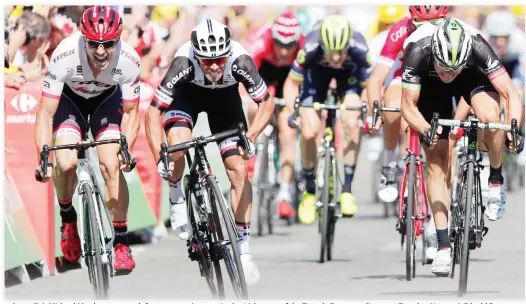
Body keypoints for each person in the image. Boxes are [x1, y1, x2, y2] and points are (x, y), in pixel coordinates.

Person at [145, 18, 274, 285]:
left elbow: (266, 103)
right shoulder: (183, 63)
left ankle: (244, 250)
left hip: (225, 103)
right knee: (178, 145)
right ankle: (176, 195)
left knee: (238, 170)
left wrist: (250, 137)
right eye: (207, 61)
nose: (214, 66)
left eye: (220, 60)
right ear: (196, 55)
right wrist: (162, 154)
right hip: (186, 98)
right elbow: (153, 112)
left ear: (228, 53)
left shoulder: (240, 61)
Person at [401, 17, 523, 276]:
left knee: (491, 118)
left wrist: (514, 126)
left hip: (472, 78)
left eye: (454, 68)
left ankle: (496, 179)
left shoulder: (478, 46)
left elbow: (511, 92)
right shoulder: (417, 51)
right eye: (445, 67)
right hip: (430, 88)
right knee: (436, 161)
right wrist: (426, 130)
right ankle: (444, 247)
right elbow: (407, 107)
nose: (449, 74)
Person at [34, 6, 141, 274]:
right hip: (70, 103)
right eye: (94, 44)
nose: (102, 51)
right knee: (66, 163)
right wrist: (44, 158)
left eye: (109, 44)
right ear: (83, 39)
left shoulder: (129, 59)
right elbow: (45, 112)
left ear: (119, 39)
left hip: (107, 101)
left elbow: (131, 113)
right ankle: (68, 219)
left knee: (111, 164)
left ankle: (120, 243)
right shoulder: (65, 55)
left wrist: (125, 151)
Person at [285, 15, 370, 224]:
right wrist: (293, 111)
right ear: (322, 44)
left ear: (348, 45)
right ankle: (309, 191)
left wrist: (365, 112)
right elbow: (291, 84)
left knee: (351, 122)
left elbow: (370, 87)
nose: (336, 58)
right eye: (331, 52)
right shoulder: (310, 49)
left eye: (341, 52)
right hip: (317, 76)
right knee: (309, 131)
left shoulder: (360, 49)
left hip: (349, 77)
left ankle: (347, 190)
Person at [245, 11, 305, 219]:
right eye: (280, 44)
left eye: (290, 45)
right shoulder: (262, 40)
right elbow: (245, 74)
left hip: (291, 80)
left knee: (287, 132)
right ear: (274, 38)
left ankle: (285, 194)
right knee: (254, 107)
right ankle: (254, 148)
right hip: (265, 76)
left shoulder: (303, 47)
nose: (285, 50)